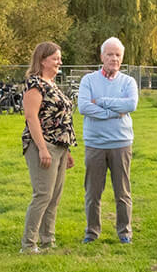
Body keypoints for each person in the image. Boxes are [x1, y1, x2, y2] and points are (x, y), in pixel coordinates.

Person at [77, 37, 139, 244]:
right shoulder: (88, 80)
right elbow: (84, 107)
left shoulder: (128, 82)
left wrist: (101, 102)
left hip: (121, 144)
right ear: (102, 56)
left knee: (122, 192)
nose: (114, 58)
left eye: (118, 55)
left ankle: (125, 232)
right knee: (93, 192)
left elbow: (130, 105)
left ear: (122, 58)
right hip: (95, 144)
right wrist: (113, 112)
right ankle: (92, 232)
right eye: (110, 54)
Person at [21, 41, 75, 253]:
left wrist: (67, 150)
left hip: (60, 146)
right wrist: (42, 149)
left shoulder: (52, 84)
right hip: (43, 146)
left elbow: (62, 119)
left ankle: (47, 240)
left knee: (54, 197)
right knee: (43, 194)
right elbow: (31, 118)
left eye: (59, 58)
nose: (59, 62)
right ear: (42, 60)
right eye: (55, 58)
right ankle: (28, 244)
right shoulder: (35, 85)